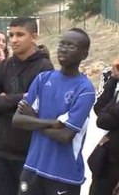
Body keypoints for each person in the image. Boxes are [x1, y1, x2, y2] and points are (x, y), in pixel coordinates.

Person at [12, 28, 96, 195]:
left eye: (71, 46)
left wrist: (34, 119)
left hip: (64, 174)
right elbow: (17, 120)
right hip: (33, 166)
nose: (63, 49)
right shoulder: (43, 79)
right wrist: (50, 122)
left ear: (84, 55)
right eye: (62, 44)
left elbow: (65, 136)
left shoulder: (85, 89)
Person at [0, 17, 54, 195]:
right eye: (11, 35)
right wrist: (20, 98)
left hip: (29, 152)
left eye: (20, 35)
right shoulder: (3, 67)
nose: (13, 40)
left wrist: (3, 99)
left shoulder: (44, 68)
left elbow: (39, 109)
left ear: (34, 37)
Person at [88, 58, 119, 195]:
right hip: (107, 159)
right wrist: (113, 78)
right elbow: (99, 111)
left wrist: (110, 110)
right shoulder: (112, 75)